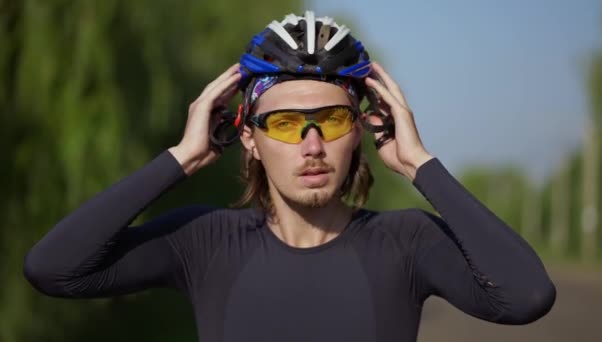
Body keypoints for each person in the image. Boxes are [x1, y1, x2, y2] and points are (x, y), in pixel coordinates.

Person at [23, 11, 556, 342]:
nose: (313, 145)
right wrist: (181, 159)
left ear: (362, 132)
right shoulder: (205, 240)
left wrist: (420, 164)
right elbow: (54, 269)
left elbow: (527, 296)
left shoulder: (406, 242)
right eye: (284, 123)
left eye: (331, 119)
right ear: (248, 139)